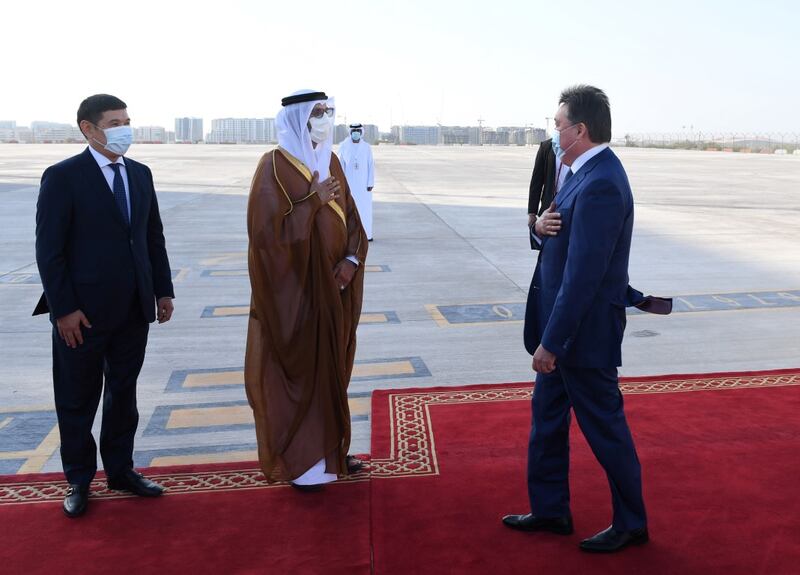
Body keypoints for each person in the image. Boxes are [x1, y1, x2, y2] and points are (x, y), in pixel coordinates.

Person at [503, 85, 650, 553]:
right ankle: (551, 510)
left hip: (580, 336)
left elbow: (585, 275)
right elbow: (565, 244)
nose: (554, 132)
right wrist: (540, 226)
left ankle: (632, 523)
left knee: (605, 429)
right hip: (563, 332)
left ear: (580, 129)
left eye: (558, 124)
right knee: (546, 422)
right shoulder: (580, 173)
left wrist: (552, 343)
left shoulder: (603, 181)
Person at [34, 94, 175, 518]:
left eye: (127, 120)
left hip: (134, 309)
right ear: (88, 128)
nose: (124, 129)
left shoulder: (140, 174)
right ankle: (79, 479)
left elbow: (152, 238)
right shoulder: (63, 177)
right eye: (115, 122)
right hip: (82, 315)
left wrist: (163, 291)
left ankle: (120, 470)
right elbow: (49, 250)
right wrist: (64, 310)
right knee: (77, 399)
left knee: (123, 394)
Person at [244, 90, 368, 492]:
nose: (325, 119)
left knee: (332, 372)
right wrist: (311, 202)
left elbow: (351, 217)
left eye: (328, 112)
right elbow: (265, 238)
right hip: (295, 297)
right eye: (317, 113)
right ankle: (302, 460)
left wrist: (350, 262)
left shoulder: (331, 160)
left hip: (336, 290)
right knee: (299, 376)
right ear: (297, 119)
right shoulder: (274, 167)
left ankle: (332, 449)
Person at [527, 136, 570, 249]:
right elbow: (536, 181)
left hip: (569, 205)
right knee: (547, 249)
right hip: (549, 206)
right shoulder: (546, 147)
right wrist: (532, 212)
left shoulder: (576, 147)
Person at [338, 123, 375, 240]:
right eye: (354, 131)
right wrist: (341, 184)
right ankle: (350, 235)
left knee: (364, 210)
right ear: (350, 132)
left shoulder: (366, 147)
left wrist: (370, 183)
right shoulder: (343, 146)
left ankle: (367, 235)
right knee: (349, 210)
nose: (356, 133)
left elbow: (371, 165)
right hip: (349, 184)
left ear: (361, 132)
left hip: (364, 186)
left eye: (358, 131)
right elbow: (340, 165)